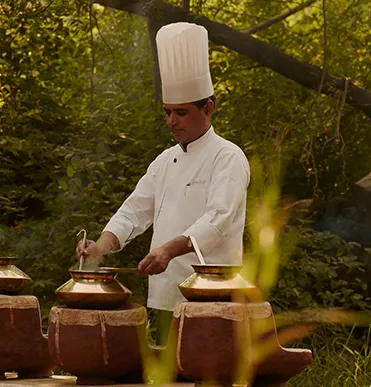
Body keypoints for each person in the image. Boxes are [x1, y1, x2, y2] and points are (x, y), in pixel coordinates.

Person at [77, 22, 251, 326]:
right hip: (164, 297)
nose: (171, 121)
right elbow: (134, 211)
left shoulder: (228, 157)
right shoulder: (164, 160)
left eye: (181, 112)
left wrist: (168, 250)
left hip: (212, 300)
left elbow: (218, 218)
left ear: (208, 107)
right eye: (167, 112)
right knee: (167, 373)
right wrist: (99, 247)